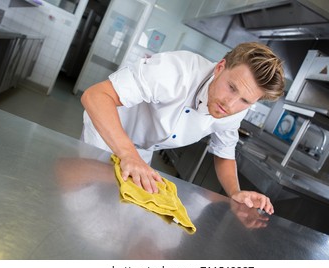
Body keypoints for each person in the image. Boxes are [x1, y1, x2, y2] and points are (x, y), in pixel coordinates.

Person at [80, 42, 285, 215]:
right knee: (85, 200)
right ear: (220, 67)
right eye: (231, 87)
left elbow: (224, 152)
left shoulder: (237, 107)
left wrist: (235, 192)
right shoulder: (175, 70)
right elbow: (96, 96)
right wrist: (128, 154)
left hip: (141, 152)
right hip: (109, 132)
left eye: (245, 101)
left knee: (120, 210)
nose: (230, 104)